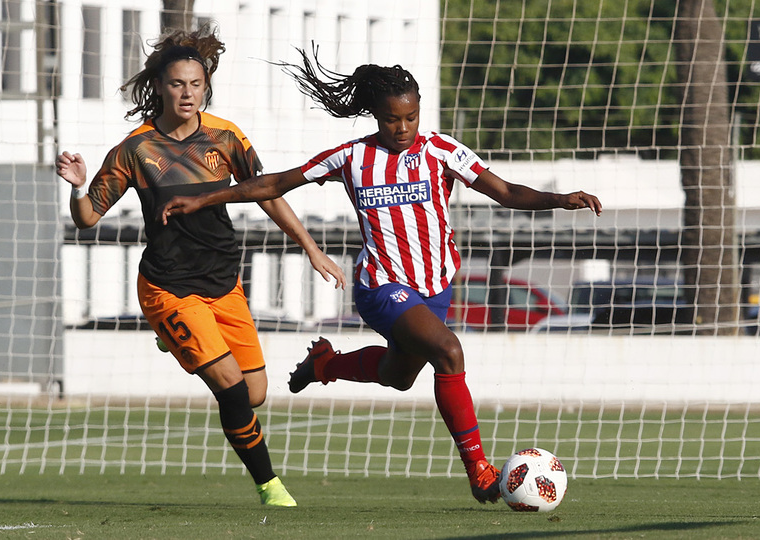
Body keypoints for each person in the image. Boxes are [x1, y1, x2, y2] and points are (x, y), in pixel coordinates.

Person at [159, 50, 602, 505]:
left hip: (435, 287)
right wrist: (205, 199)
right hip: (381, 284)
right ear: (376, 115)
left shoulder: (442, 151)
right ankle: (479, 470)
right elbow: (275, 184)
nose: (403, 127)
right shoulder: (352, 157)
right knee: (449, 351)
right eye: (392, 119)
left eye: (411, 117)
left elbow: (505, 192)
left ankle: (326, 364)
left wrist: (559, 199)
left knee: (398, 375)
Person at [56, 27, 345, 507]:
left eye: (195, 84)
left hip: (223, 282)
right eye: (177, 84)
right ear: (159, 86)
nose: (187, 93)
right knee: (231, 388)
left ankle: (171, 337)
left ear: (205, 85)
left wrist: (312, 249)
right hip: (168, 286)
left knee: (254, 393)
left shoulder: (225, 137)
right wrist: (78, 186)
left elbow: (267, 193)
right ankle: (271, 488)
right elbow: (87, 219)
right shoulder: (137, 149)